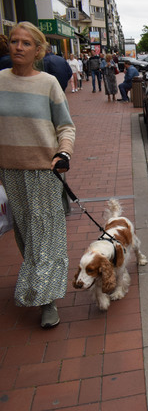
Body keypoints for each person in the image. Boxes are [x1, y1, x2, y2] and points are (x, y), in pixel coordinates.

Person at [0, 21, 76, 329]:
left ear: (38, 50)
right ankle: (41, 285)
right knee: (25, 235)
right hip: (10, 172)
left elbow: (66, 126)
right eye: (14, 41)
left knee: (45, 235)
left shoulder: (47, 83)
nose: (18, 47)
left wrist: (64, 152)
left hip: (44, 170)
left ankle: (48, 300)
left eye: (26, 43)